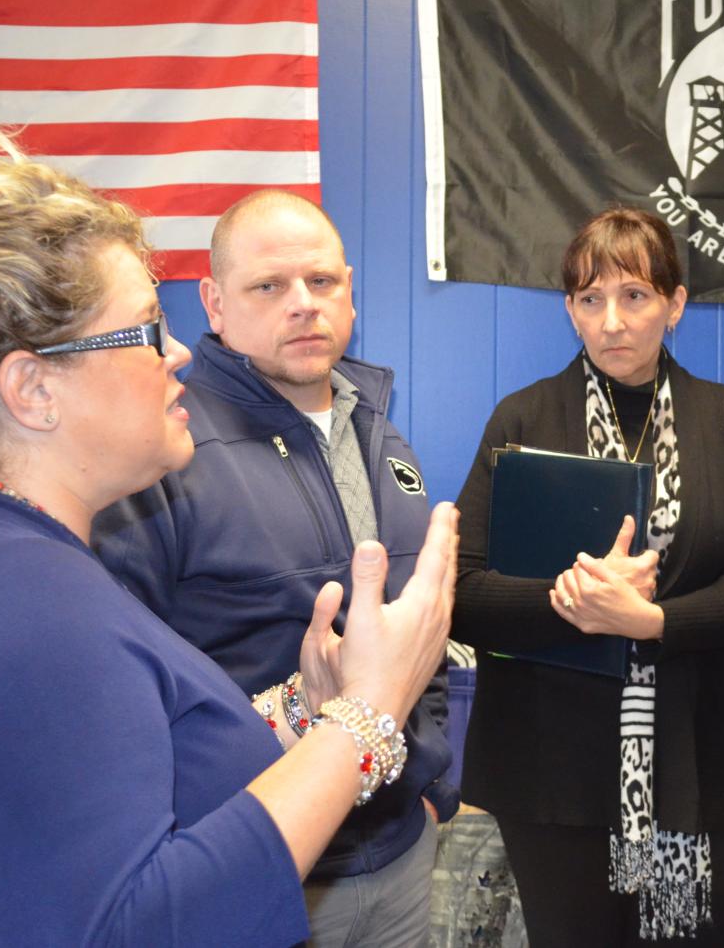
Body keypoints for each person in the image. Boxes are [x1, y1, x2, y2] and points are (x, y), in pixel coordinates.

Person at [0, 114, 459, 946]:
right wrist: (368, 716)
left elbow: (123, 775)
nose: (180, 357)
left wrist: (308, 714)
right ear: (33, 390)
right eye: (143, 331)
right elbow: (136, 925)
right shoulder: (4, 609)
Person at [92, 189, 455, 946]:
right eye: (270, 286)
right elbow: (119, 693)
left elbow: (421, 628)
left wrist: (430, 784)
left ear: (349, 291)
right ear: (215, 304)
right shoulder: (166, 451)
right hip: (264, 873)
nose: (303, 304)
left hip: (399, 857)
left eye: (321, 282)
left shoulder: (380, 434)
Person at [450, 207, 724, 947]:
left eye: (634, 296)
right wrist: (572, 601)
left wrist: (651, 622)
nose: (612, 321)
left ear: (676, 303)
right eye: (589, 299)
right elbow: (463, 594)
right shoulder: (523, 419)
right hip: (553, 774)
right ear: (569, 309)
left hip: (697, 770)